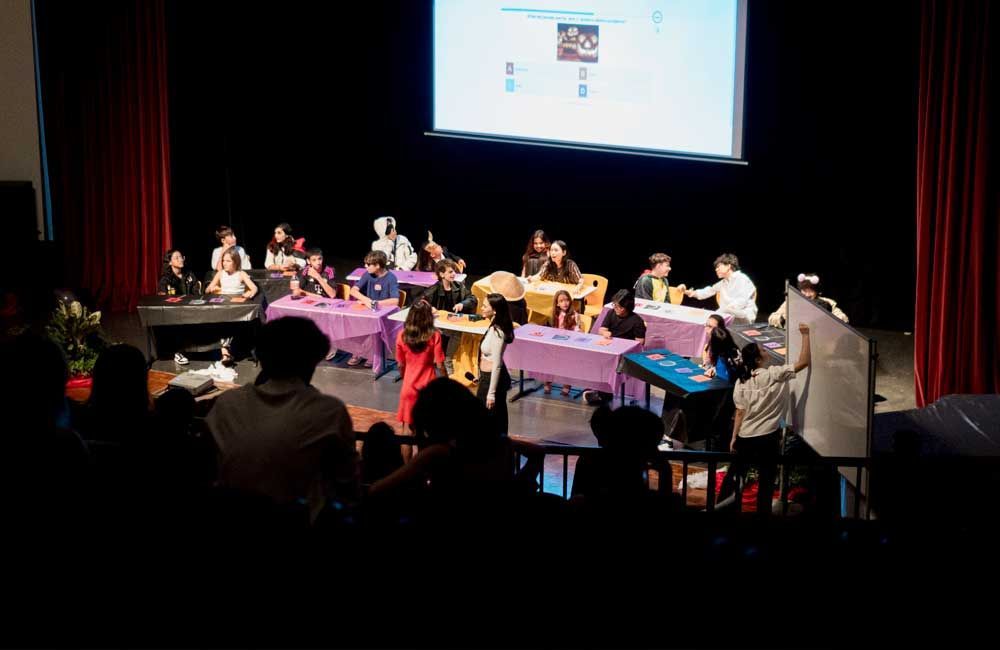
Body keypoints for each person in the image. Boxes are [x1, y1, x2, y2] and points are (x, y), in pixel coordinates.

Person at [206, 317, 358, 512]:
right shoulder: (328, 413)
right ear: (312, 361)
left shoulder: (227, 404)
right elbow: (348, 488)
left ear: (261, 356)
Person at [719, 323, 811, 515]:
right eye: (762, 349)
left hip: (745, 436)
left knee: (736, 477)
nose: (765, 349)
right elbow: (803, 362)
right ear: (759, 358)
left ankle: (721, 510)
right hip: (767, 438)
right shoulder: (773, 375)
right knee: (767, 481)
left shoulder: (742, 381)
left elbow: (740, 412)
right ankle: (762, 518)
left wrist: (734, 437)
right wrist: (806, 335)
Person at [395, 301, 445, 454]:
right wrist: (446, 383)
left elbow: (400, 365)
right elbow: (440, 365)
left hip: (409, 389)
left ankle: (406, 472)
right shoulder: (434, 335)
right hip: (428, 391)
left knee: (407, 432)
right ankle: (425, 470)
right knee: (427, 433)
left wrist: (406, 379)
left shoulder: (402, 336)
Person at [584, 289, 645, 405]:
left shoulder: (637, 321)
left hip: (625, 355)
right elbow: (602, 329)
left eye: (620, 307)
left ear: (627, 308)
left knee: (612, 365)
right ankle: (596, 388)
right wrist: (605, 333)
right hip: (609, 349)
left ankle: (603, 394)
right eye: (615, 305)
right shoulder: (611, 313)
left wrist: (626, 345)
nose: (616, 309)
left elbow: (640, 342)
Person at [418, 258, 477, 376]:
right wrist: (429, 308)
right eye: (450, 272)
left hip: (454, 324)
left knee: (458, 333)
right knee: (450, 334)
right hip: (438, 326)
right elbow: (419, 302)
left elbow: (472, 299)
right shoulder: (434, 289)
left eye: (454, 271)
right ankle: (447, 363)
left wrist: (462, 304)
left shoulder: (459, 286)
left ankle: (449, 362)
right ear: (441, 274)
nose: (454, 274)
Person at [205, 247, 258, 366]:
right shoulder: (220, 274)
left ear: (235, 262)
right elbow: (208, 289)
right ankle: (225, 353)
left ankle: (226, 353)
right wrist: (211, 289)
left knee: (229, 324)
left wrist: (249, 293)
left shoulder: (241, 274)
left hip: (236, 309)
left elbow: (254, 288)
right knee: (221, 323)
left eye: (228, 261)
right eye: (223, 260)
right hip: (223, 307)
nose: (224, 263)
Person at [347, 250, 400, 367]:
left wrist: (376, 303)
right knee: (354, 323)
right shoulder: (368, 275)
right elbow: (353, 290)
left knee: (373, 327)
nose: (366, 266)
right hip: (369, 310)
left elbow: (395, 301)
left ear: (378, 265)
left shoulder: (391, 278)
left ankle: (371, 354)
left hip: (384, 313)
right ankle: (358, 352)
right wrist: (366, 300)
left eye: (368, 264)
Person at [679, 253, 757, 324]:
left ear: (728, 266)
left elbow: (740, 302)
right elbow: (708, 291)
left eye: (718, 266)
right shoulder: (723, 282)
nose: (716, 269)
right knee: (704, 315)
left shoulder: (743, 279)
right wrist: (686, 291)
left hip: (743, 318)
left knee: (714, 316)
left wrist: (718, 314)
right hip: (727, 315)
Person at [477, 293, 515, 435]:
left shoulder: (497, 331)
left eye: (485, 306)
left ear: (495, 310)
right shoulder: (492, 326)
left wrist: (491, 393)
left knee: (493, 419)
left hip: (493, 381)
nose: (482, 308)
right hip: (486, 378)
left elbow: (497, 363)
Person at [157, 248, 202, 365]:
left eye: (181, 257)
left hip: (190, 309)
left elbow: (197, 292)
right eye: (176, 257)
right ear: (170, 262)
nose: (180, 259)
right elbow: (163, 297)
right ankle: (177, 352)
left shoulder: (189, 274)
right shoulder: (165, 279)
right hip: (174, 312)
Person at [768, 273, 849, 327]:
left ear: (817, 291)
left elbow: (843, 318)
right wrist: (785, 319)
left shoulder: (828, 302)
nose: (807, 295)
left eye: (810, 291)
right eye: (804, 291)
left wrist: (829, 318)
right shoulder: (791, 302)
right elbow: (772, 318)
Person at [544, 290, 583, 396]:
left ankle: (567, 384)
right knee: (550, 362)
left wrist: (577, 330)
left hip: (569, 344)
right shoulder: (555, 315)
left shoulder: (574, 315)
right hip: (556, 343)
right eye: (561, 301)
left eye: (566, 300)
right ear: (557, 303)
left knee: (567, 364)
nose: (565, 303)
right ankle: (548, 381)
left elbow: (578, 330)